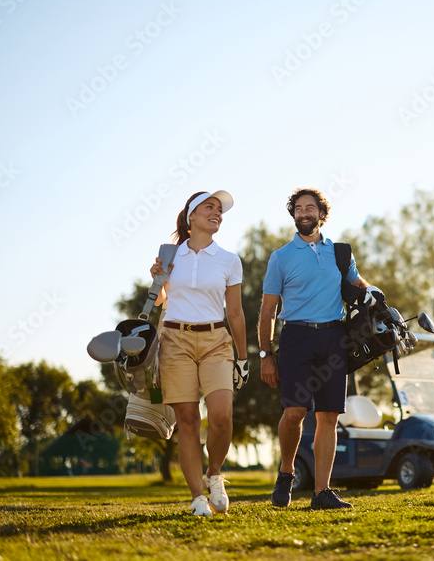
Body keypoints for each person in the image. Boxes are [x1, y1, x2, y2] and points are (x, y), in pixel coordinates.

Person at [258, 188, 377, 510]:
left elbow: (357, 282)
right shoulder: (281, 257)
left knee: (329, 416)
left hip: (334, 337)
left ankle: (322, 492)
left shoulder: (339, 252)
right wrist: (266, 355)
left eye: (309, 208)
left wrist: (372, 291)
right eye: (298, 209)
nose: (303, 213)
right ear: (293, 215)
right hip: (296, 337)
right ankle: (287, 472)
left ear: (321, 215)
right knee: (294, 412)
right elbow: (268, 310)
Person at [150, 190, 249, 517]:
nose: (217, 213)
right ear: (191, 215)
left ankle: (214, 474)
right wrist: (157, 280)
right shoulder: (170, 254)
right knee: (189, 421)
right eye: (210, 207)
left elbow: (235, 312)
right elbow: (159, 301)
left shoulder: (229, 260)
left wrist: (243, 358)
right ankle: (197, 498)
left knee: (221, 415)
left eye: (220, 209)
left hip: (216, 341)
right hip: (175, 341)